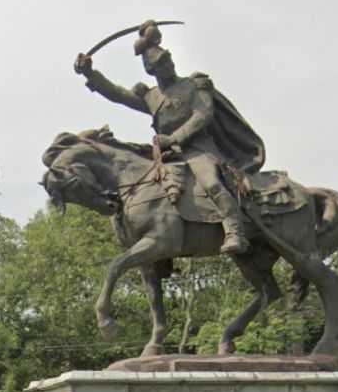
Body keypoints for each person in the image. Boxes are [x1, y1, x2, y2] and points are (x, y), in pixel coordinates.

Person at [74, 20, 265, 254]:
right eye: (162, 64)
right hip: (165, 157)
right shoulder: (151, 97)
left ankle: (235, 231)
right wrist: (91, 73)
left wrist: (174, 138)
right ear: (152, 70)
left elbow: (202, 115)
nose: (169, 66)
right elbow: (119, 95)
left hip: (198, 149)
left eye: (169, 60)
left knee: (210, 181)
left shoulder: (195, 84)